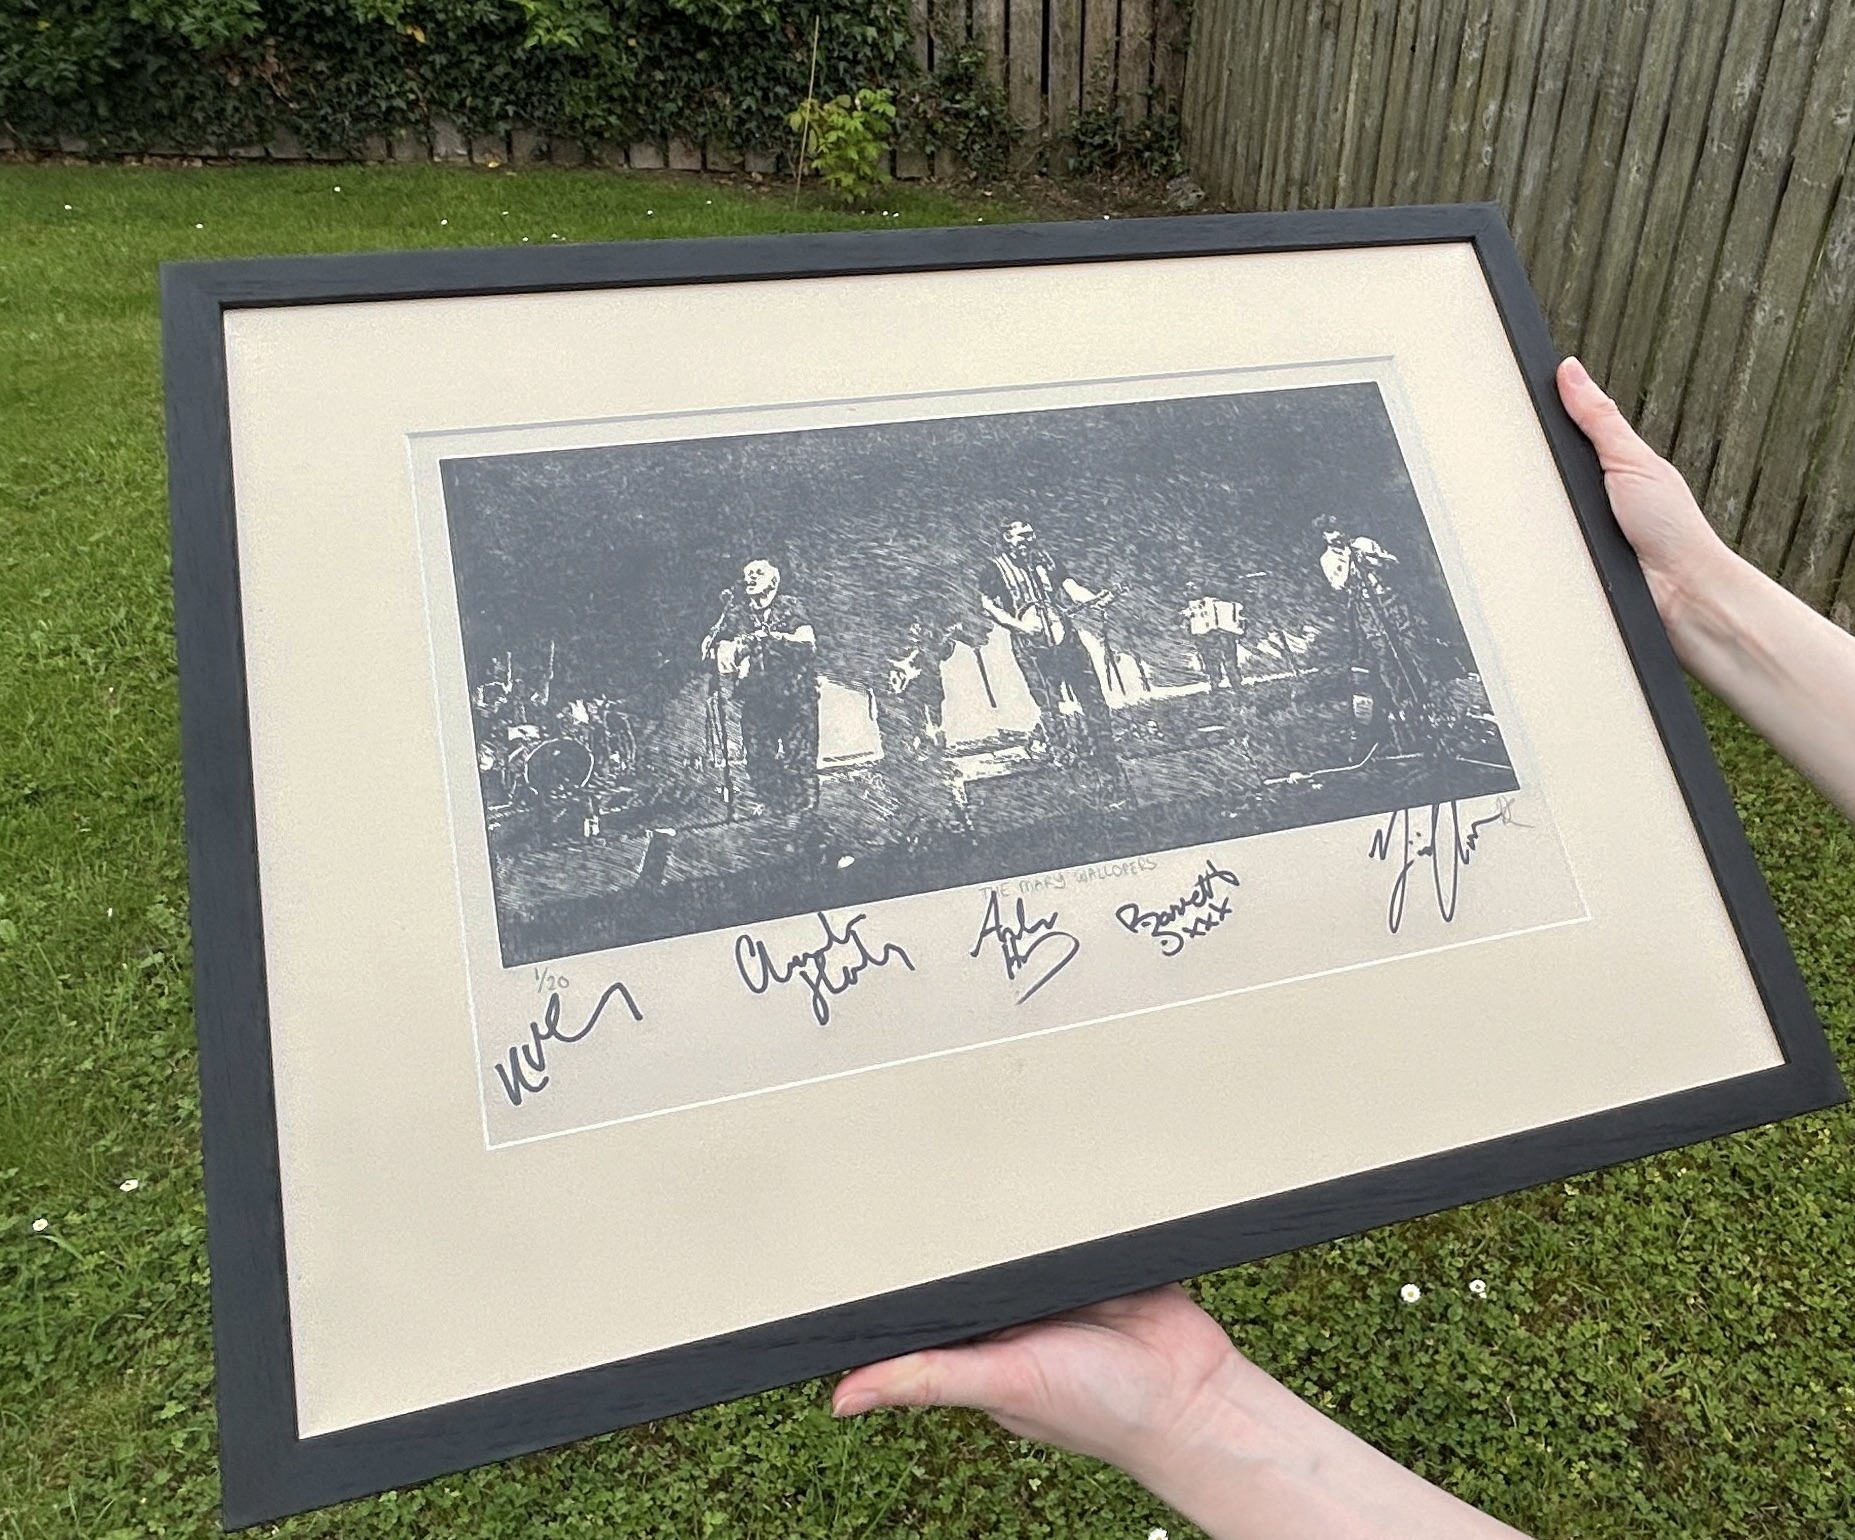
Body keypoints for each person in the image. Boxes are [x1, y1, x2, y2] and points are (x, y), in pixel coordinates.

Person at [830, 357, 1855, 1538]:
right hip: (1042, 646)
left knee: (1098, 711)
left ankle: (1101, 753)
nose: (1018, 536)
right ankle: (1075, 757)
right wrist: (1686, 588)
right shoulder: (996, 579)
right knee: (1066, 708)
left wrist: (1190, 1413)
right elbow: (1011, 613)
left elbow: (1072, 589)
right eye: (1011, 533)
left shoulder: (1068, 560)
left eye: (1022, 531)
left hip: (1101, 642)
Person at [979, 516, 1118, 767]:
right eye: (1023, 536)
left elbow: (1071, 587)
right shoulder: (995, 568)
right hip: (1031, 645)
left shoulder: (1047, 560)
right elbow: (988, 606)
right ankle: (1062, 756)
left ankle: (1106, 751)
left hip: (1065, 636)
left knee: (1091, 693)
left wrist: (1095, 600)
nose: (1029, 540)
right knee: (1049, 701)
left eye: (1031, 534)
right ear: (1007, 538)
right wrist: (1020, 626)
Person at [702, 558, 820, 815]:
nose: (751, 578)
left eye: (758, 573)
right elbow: (715, 645)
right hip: (758, 698)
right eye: (748, 574)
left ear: (774, 581)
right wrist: (727, 646)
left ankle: (804, 811)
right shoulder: (737, 613)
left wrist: (773, 639)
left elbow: (807, 645)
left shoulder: (789, 606)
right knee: (758, 757)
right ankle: (774, 806)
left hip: (794, 696)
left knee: (799, 759)